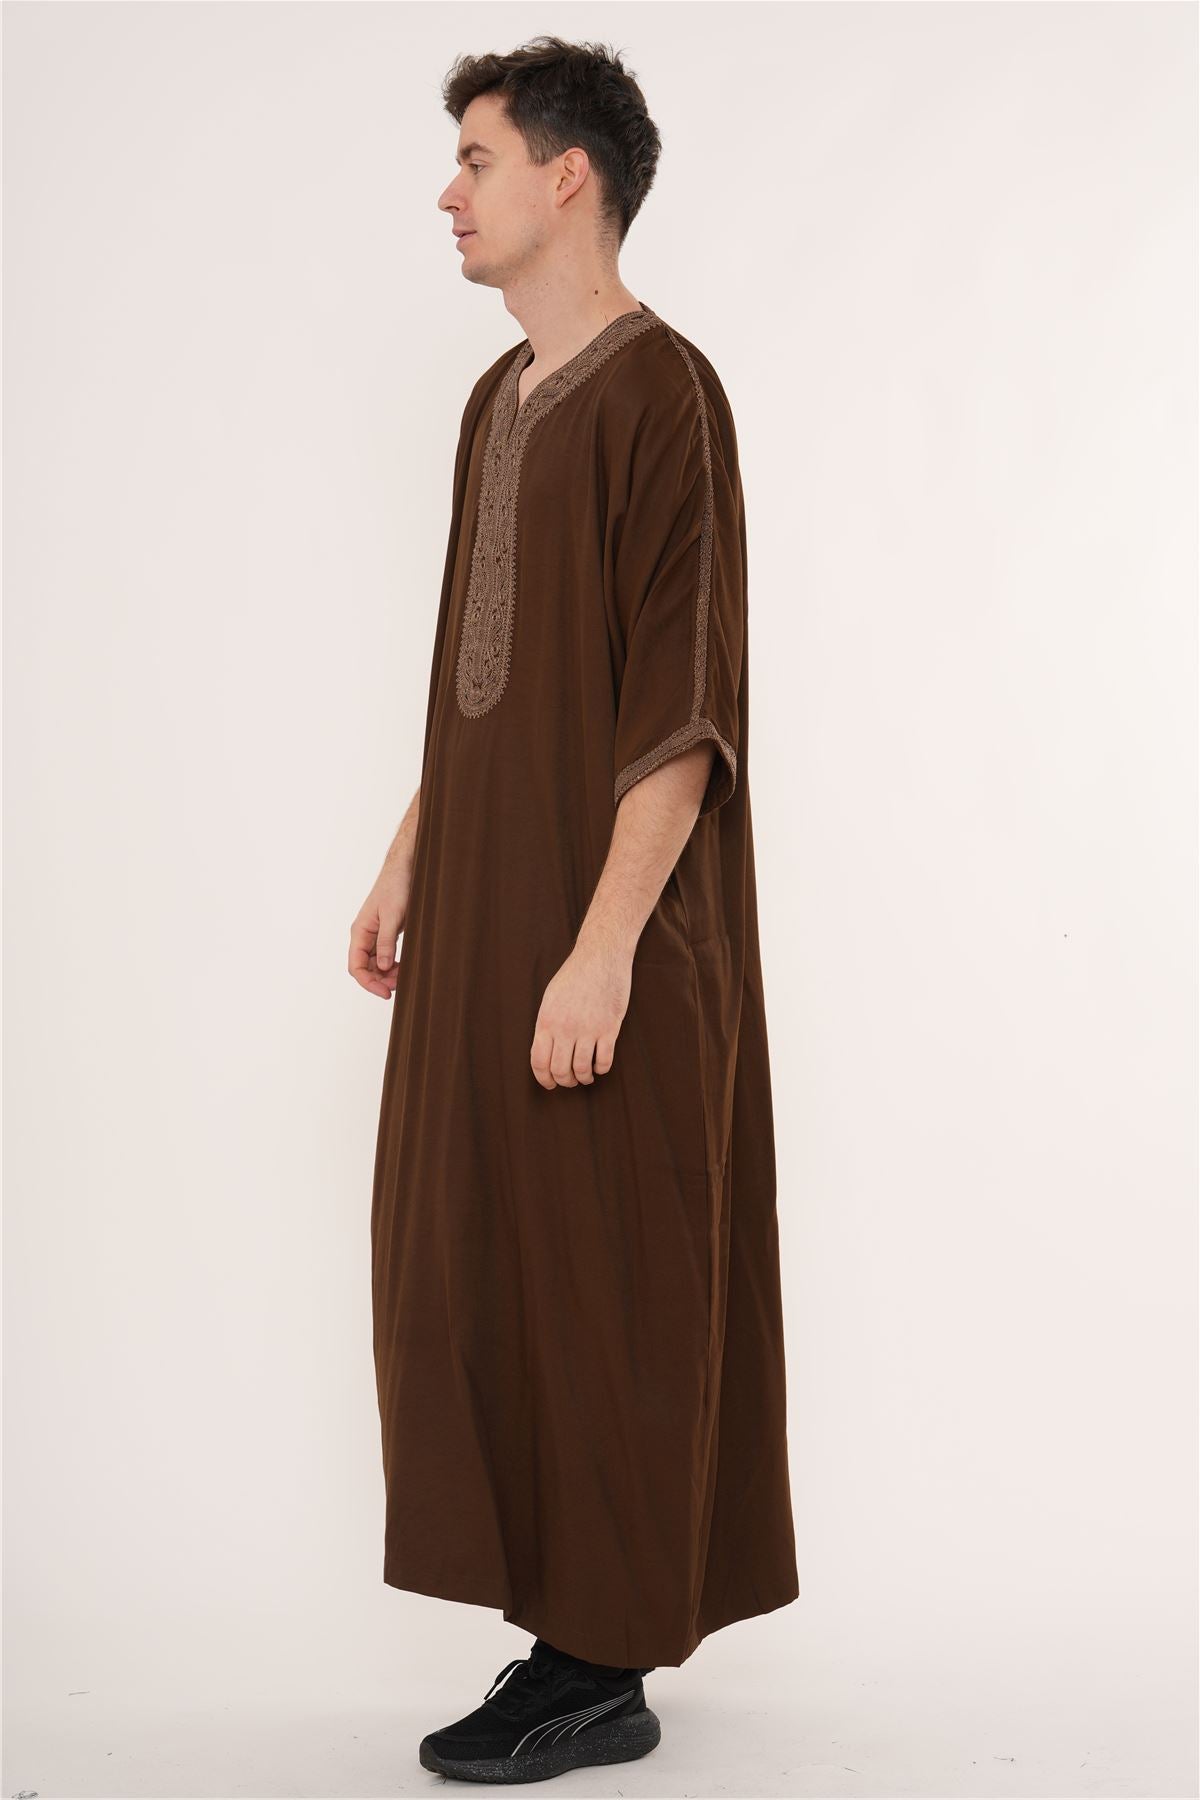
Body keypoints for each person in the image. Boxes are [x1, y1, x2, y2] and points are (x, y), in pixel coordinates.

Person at [349, 33, 800, 1786]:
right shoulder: (499, 401)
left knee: (609, 1270)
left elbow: (682, 705)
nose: (449, 194)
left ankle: (603, 1667)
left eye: (476, 159)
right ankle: (557, 1626)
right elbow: (480, 677)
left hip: (609, 928)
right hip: (487, 906)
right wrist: (411, 853)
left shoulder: (664, 394)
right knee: (484, 1259)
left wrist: (603, 949)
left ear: (568, 175)